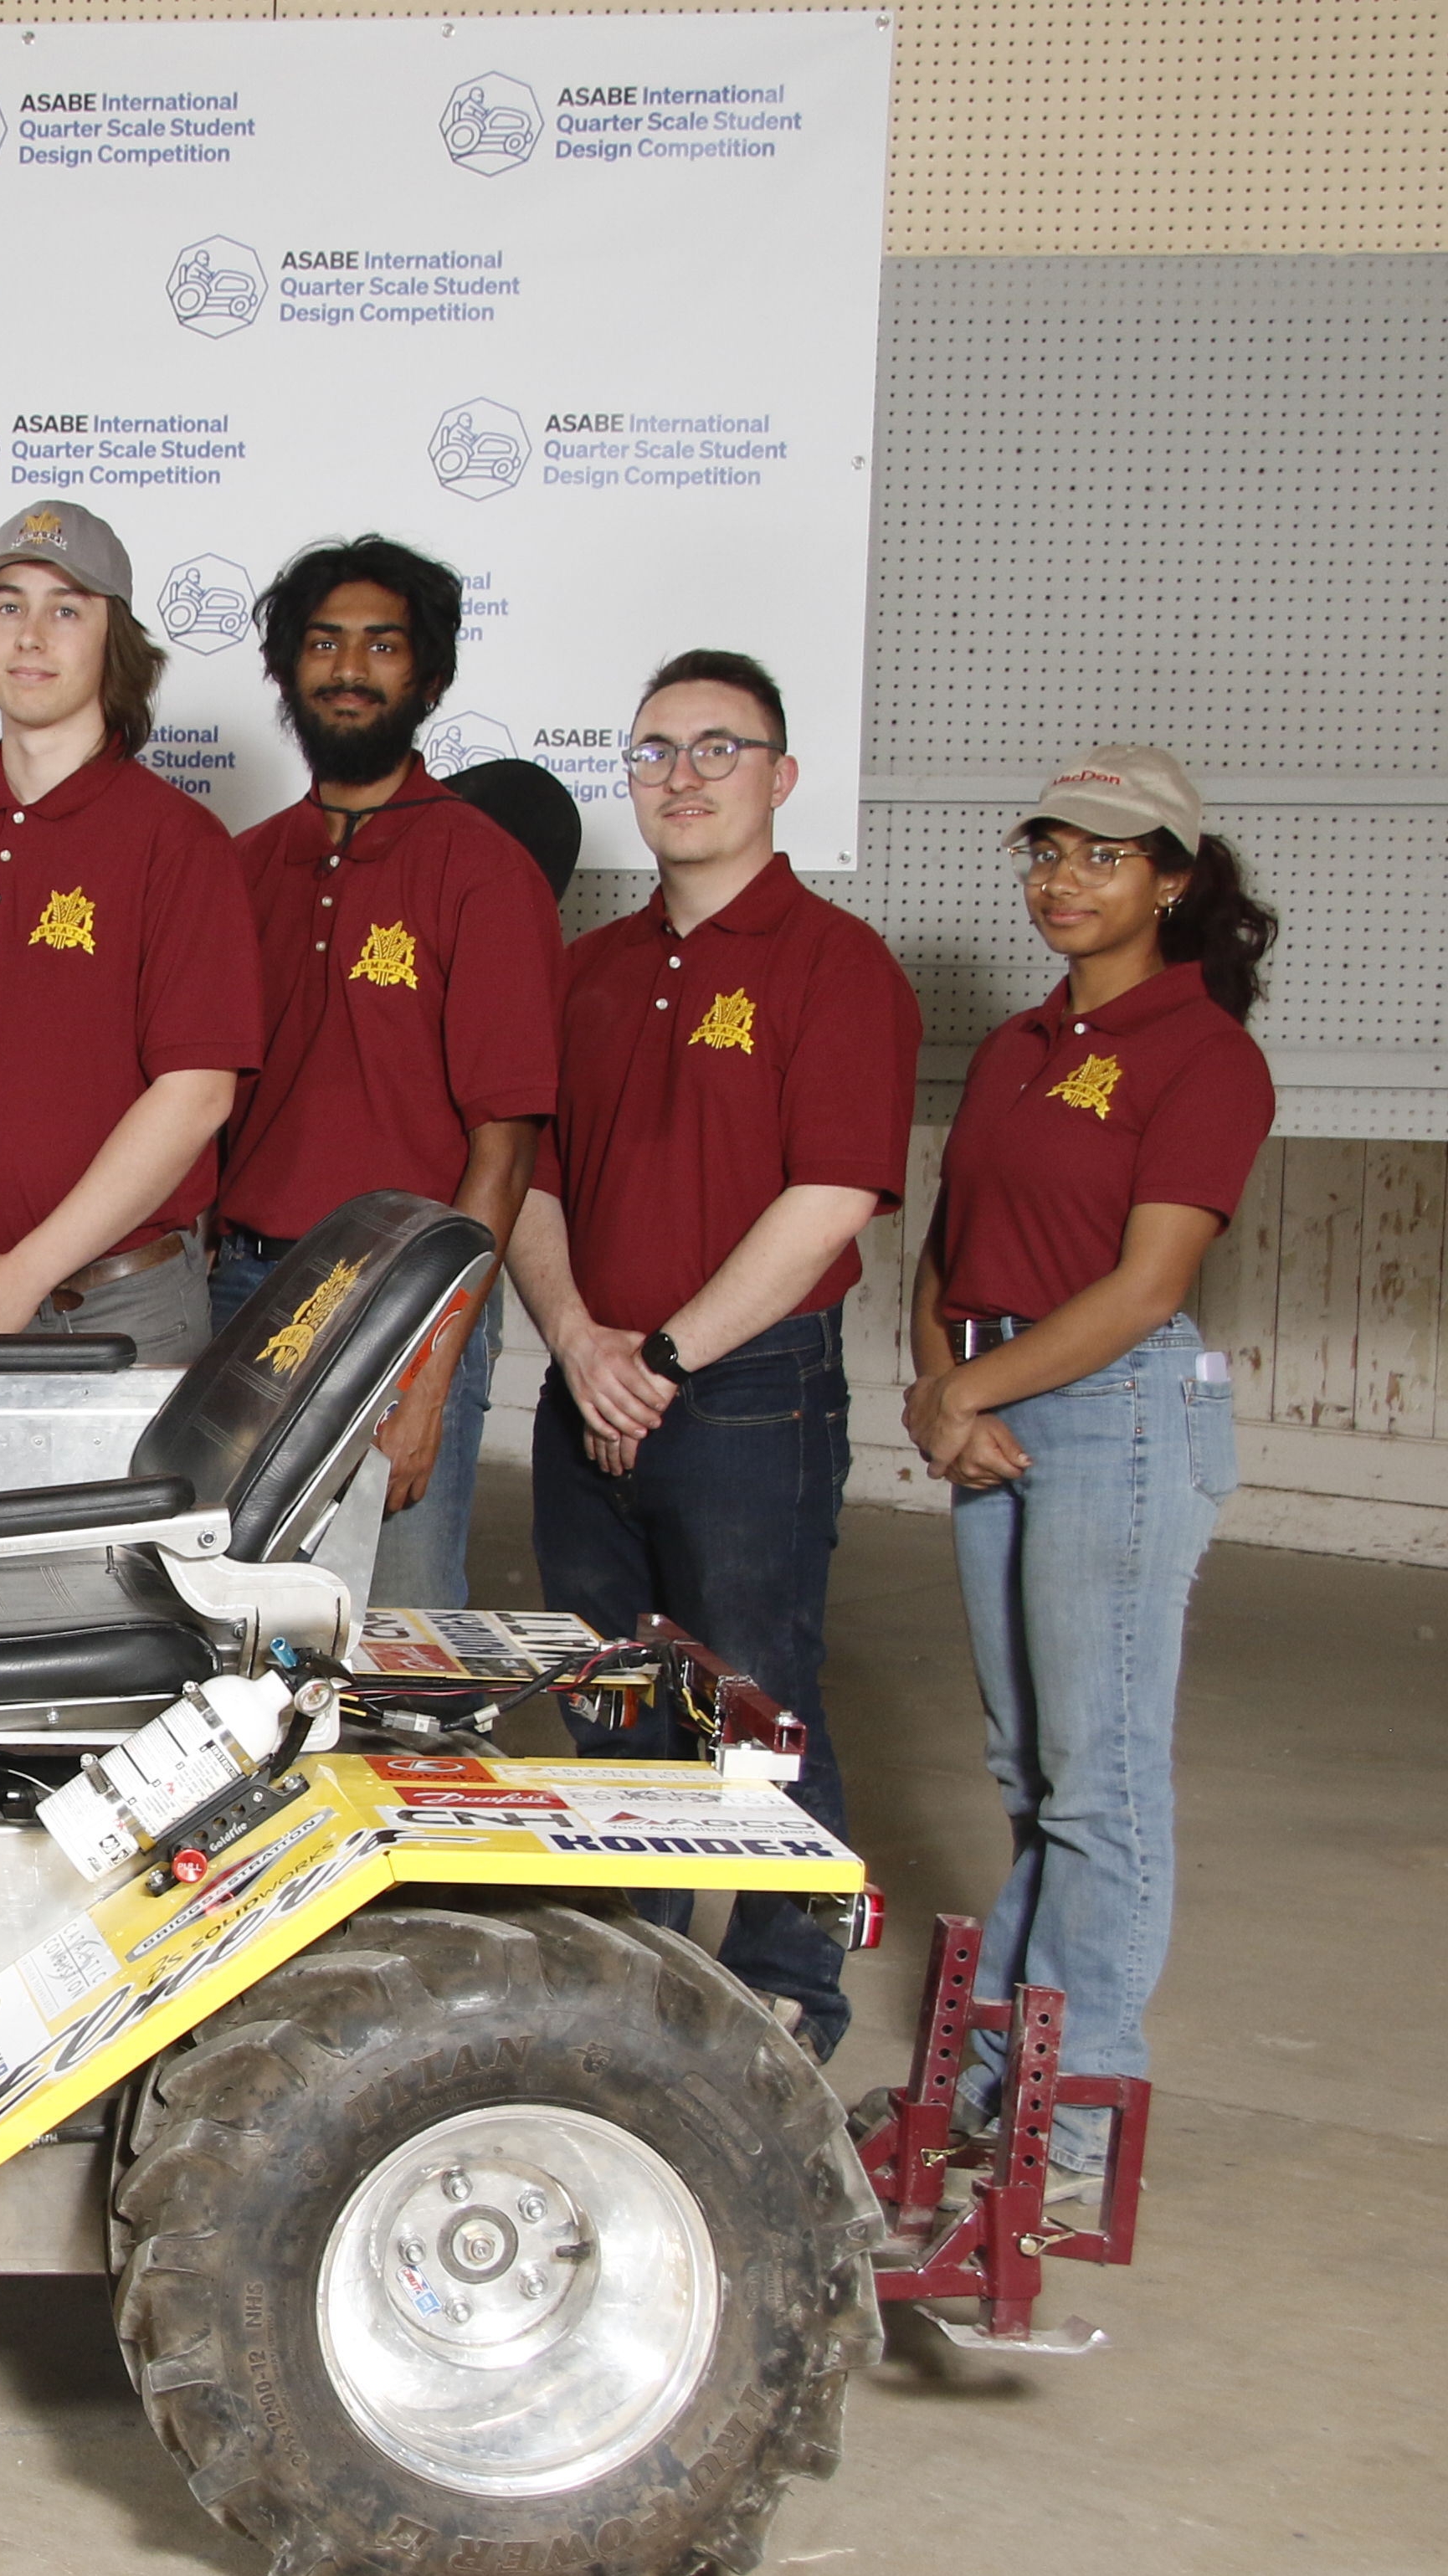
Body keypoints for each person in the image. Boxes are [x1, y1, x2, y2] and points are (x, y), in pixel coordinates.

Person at [507, 649, 920, 2058]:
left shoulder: (837, 967)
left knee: (756, 1684)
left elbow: (832, 1198)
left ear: (781, 778)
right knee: (620, 1691)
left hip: (746, 1395)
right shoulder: (589, 974)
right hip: (589, 1384)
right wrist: (577, 1340)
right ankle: (640, 1968)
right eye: (653, 751)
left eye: (717, 749)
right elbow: (534, 1182)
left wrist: (665, 1358)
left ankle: (792, 1982)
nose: (680, 777)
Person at [906, 748, 1276, 2188]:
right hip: (995, 1400)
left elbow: (1144, 1287)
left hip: (1116, 1408)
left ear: (1174, 881)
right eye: (1046, 853)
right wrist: (942, 1385)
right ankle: (1006, 2078)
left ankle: (1072, 2123)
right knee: (1030, 1773)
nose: (1061, 880)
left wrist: (962, 1393)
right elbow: (949, 1244)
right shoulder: (1016, 1045)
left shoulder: (1207, 1057)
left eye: (1102, 857)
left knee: (1099, 1787)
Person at [0, 499, 258, 1525]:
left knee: (113, 1619)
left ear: (116, 642)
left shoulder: (176, 844)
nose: (29, 634)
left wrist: (20, 1274)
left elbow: (196, 1093)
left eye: (67, 609)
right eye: (6, 604)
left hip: (115, 1308)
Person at [212, 537, 562, 1606]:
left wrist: (429, 1377)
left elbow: (504, 1148)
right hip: (248, 1290)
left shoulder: (484, 873)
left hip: (405, 1301)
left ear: (430, 678)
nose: (348, 667)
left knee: (397, 1636)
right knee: (242, 1616)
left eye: (381, 644)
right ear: (285, 671)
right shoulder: (241, 867)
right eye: (322, 643)